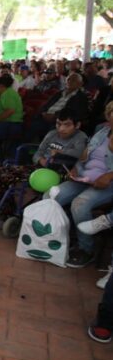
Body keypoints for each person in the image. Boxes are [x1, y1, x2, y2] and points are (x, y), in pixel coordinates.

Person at [0, 109, 87, 222]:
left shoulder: (81, 138)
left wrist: (60, 153)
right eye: (58, 124)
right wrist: (40, 159)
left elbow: (79, 154)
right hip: (39, 169)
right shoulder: (52, 134)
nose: (61, 128)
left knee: (6, 177)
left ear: (77, 125)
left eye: (67, 125)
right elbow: (38, 153)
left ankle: (6, 215)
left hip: (58, 174)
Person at [53, 102, 113, 268]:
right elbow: (85, 155)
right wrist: (76, 169)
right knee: (53, 194)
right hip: (86, 177)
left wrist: (109, 175)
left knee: (80, 204)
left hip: (107, 183)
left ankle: (86, 249)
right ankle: (56, 236)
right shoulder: (102, 131)